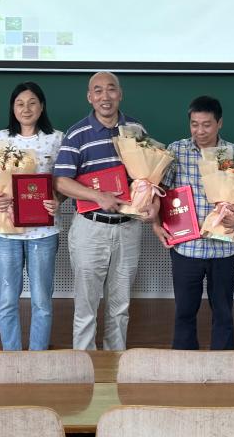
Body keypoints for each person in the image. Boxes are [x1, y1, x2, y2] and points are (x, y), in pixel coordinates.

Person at [54, 71, 148, 351]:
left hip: (128, 227)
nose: (105, 96)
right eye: (98, 91)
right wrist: (98, 196)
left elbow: (146, 175)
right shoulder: (77, 133)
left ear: (120, 94)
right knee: (86, 306)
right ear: (89, 97)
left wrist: (148, 198)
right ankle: (84, 363)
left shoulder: (136, 129)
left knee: (120, 306)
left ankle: (114, 362)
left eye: (111, 89)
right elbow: (61, 181)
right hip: (90, 228)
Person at [153, 96, 234, 350]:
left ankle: (223, 362)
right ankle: (184, 362)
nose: (200, 131)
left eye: (206, 124)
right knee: (184, 312)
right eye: (194, 124)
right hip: (186, 247)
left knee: (224, 313)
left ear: (219, 123)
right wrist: (155, 223)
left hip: (223, 247)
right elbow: (160, 191)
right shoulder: (176, 150)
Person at [0, 81, 63, 350]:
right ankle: (12, 355)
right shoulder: (0, 138)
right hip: (6, 229)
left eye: (32, 103)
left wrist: (59, 200)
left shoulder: (57, 138)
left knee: (42, 300)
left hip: (43, 231)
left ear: (42, 107)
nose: (26, 109)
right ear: (12, 108)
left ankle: (38, 355)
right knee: (7, 299)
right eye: (20, 103)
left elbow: (64, 181)